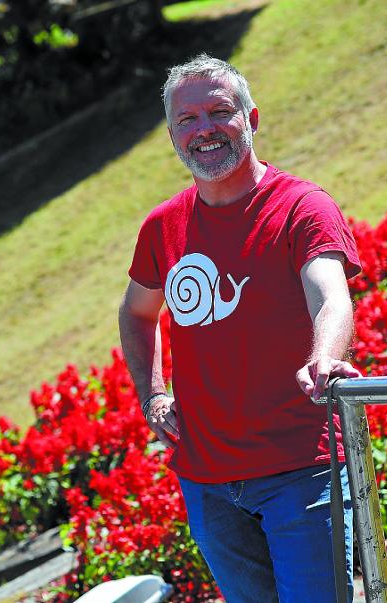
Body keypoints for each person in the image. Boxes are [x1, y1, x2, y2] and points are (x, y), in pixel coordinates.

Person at [118, 53, 361, 603]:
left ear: (251, 120)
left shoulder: (302, 206)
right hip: (207, 483)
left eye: (219, 112)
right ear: (173, 135)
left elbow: (330, 292)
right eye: (187, 120)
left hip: (302, 471)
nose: (203, 130)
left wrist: (325, 355)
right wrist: (153, 393)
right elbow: (136, 312)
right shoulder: (163, 227)